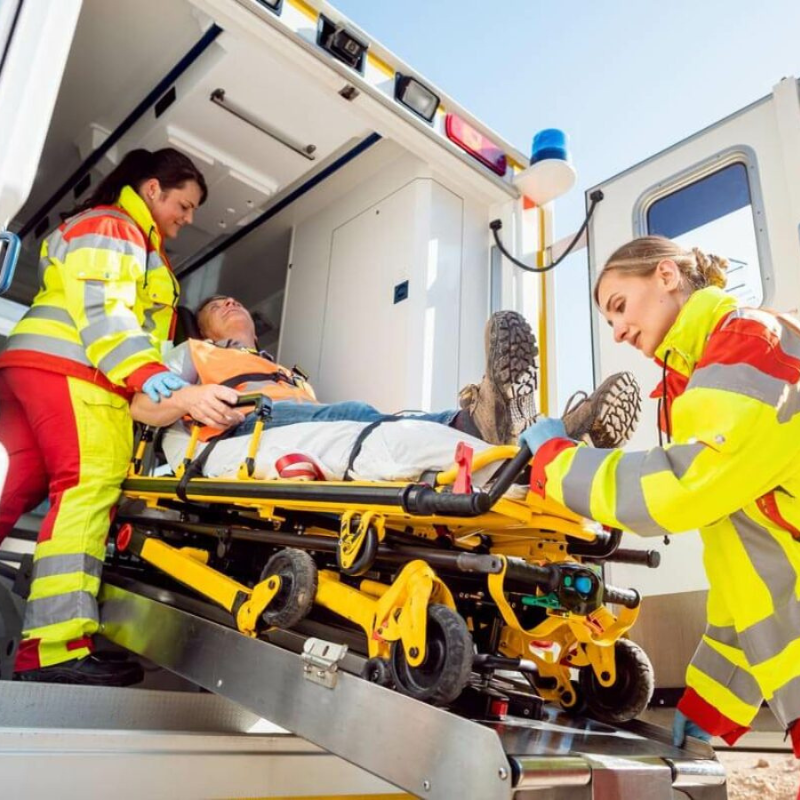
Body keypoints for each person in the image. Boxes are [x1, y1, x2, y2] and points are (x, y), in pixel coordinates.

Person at [520, 235, 800, 758]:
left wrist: (556, 462)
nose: (618, 331)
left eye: (619, 306)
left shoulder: (751, 344)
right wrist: (711, 704)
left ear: (666, 276)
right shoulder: (706, 375)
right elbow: (751, 583)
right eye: (608, 322)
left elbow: (676, 489)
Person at [0, 147, 208, 685]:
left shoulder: (115, 230)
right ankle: (54, 649)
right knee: (88, 488)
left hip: (34, 368)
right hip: (71, 372)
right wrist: (143, 371)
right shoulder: (116, 226)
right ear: (153, 189)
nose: (187, 219)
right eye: (184, 205)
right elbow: (105, 308)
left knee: (17, 488)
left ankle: (54, 641)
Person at [130, 296, 641, 455]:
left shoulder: (285, 371)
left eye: (235, 300)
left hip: (288, 423)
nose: (229, 303)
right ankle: (492, 422)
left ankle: (541, 432)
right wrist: (190, 398)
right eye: (217, 306)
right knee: (357, 415)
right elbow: (141, 405)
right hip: (241, 427)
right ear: (204, 328)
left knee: (376, 420)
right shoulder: (193, 352)